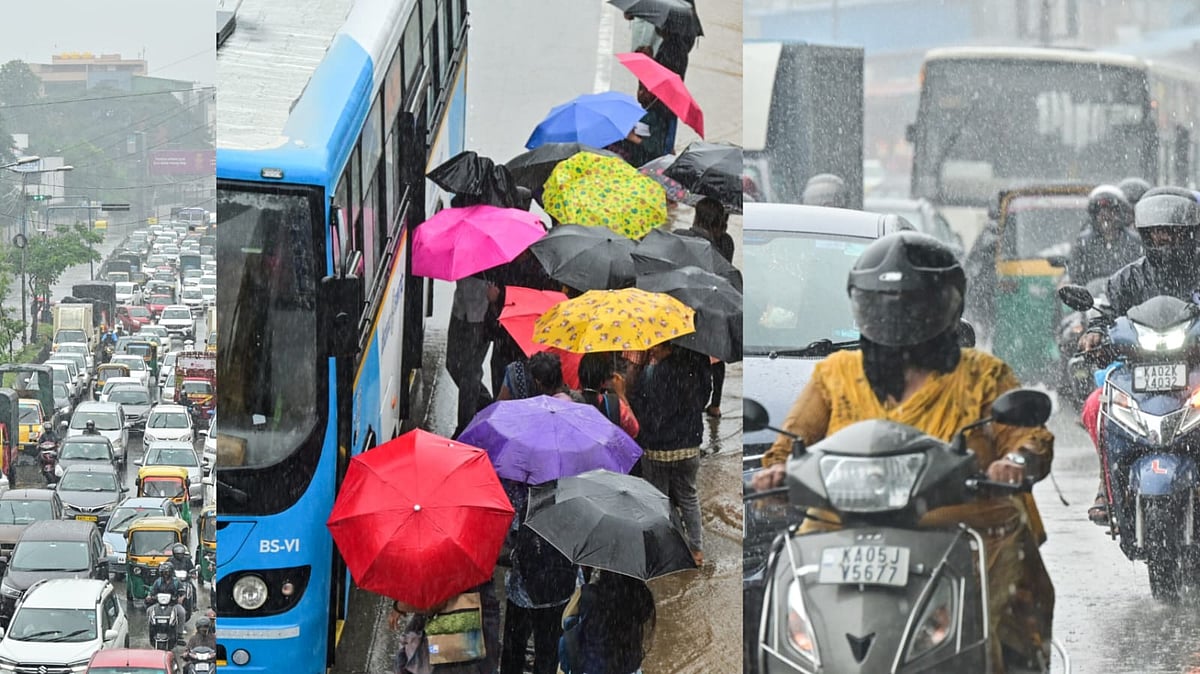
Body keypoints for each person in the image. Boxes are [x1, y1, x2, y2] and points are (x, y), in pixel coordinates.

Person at [750, 231, 1055, 672]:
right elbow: (789, 445)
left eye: (910, 305)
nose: (896, 318)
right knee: (779, 602)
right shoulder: (834, 374)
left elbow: (1029, 437)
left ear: (943, 306)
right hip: (839, 530)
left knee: (1007, 603)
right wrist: (775, 474)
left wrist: (1015, 462)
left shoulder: (983, 374)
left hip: (962, 528)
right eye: (883, 305)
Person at [1077, 187, 1200, 524]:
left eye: (1171, 231)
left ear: (1188, 233)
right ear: (1145, 234)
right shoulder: (1126, 278)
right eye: (1157, 231)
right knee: (1093, 407)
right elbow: (1103, 314)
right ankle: (1108, 485)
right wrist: (1094, 333)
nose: (1163, 238)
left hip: (1194, 370)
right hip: (1137, 372)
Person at [628, 340, 711, 566]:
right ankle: (696, 550)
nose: (653, 348)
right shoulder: (698, 363)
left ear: (670, 347)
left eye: (658, 345)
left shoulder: (654, 373)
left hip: (658, 449)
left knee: (659, 500)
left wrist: (638, 370)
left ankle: (666, 551)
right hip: (689, 446)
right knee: (689, 496)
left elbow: (641, 406)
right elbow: (705, 397)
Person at [681, 197, 734, 417]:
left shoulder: (684, 238)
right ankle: (715, 403)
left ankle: (692, 400)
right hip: (714, 302)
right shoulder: (725, 241)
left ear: (696, 216)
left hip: (687, 302)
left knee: (689, 353)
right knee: (715, 354)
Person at [558, 570, 655, 674]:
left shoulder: (588, 593)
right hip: (626, 663)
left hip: (592, 665)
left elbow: (566, 621)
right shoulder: (641, 596)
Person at [391, 583, 502, 674]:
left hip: (454, 645)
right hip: (483, 632)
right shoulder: (475, 563)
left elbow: (435, 604)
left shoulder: (440, 565)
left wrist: (399, 606)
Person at [1067, 185, 1142, 285]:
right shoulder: (1082, 243)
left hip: (1127, 298)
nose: (1105, 217)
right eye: (1101, 213)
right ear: (1094, 215)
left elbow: (1140, 277)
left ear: (1120, 214)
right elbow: (1075, 277)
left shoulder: (1135, 242)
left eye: (1111, 212)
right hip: (1091, 299)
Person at [576, 352, 639, 439]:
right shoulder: (615, 405)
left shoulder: (570, 402)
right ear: (604, 380)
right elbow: (634, 430)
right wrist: (621, 395)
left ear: (579, 375)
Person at [145, 561, 188, 642]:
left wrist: (181, 598)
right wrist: (149, 597)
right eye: (164, 572)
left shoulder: (176, 582)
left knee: (182, 612)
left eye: (167, 572)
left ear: (171, 572)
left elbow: (183, 593)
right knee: (149, 611)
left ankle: (179, 633)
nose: (165, 574)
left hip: (173, 604)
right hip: (159, 604)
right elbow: (152, 592)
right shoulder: (158, 581)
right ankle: (153, 630)